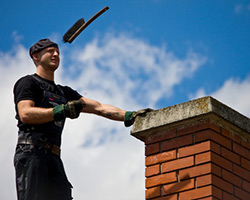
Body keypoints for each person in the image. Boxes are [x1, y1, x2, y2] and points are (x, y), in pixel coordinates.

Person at [13, 38, 152, 200]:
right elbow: (25, 113)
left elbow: (98, 107)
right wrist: (61, 110)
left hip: (53, 157)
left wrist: (130, 115)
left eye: (57, 51)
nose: (56, 54)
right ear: (36, 57)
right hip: (31, 154)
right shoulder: (28, 83)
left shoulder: (64, 93)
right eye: (50, 51)